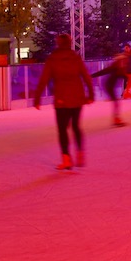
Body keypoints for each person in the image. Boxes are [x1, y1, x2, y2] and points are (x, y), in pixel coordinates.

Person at [33, 33, 94, 170]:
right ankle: (80, 152)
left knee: (62, 129)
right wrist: (91, 94)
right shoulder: (75, 57)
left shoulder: (53, 59)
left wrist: (37, 98)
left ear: (58, 43)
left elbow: (44, 79)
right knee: (76, 126)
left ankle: (66, 159)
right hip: (77, 97)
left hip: (62, 99)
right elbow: (86, 76)